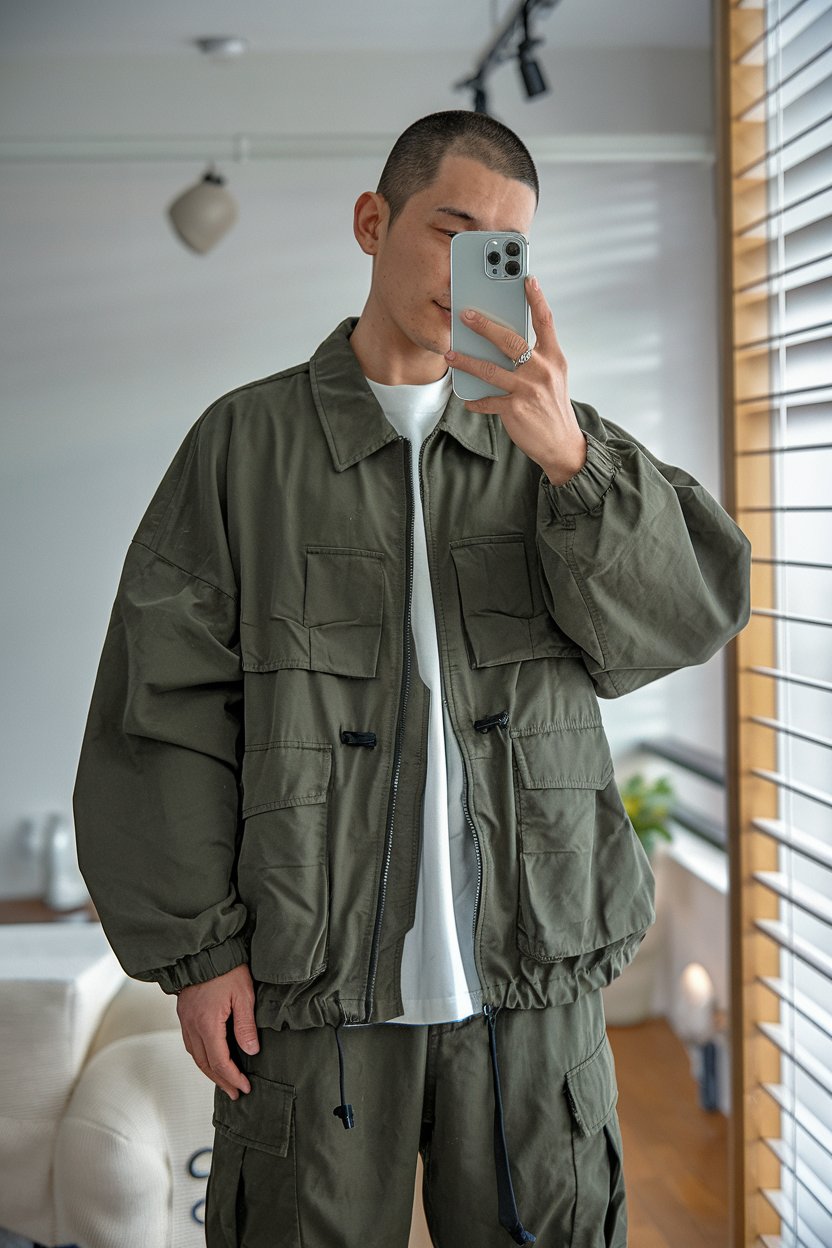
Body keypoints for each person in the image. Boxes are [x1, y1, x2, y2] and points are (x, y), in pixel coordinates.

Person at [73, 110, 752, 1247]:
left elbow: (687, 618)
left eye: (506, 248)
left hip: (532, 986)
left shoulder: (564, 449)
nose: (471, 265)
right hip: (313, 982)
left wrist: (571, 465)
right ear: (372, 222)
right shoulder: (245, 449)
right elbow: (163, 713)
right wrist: (201, 954)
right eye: (451, 230)